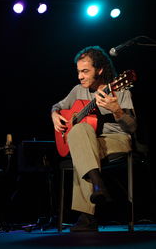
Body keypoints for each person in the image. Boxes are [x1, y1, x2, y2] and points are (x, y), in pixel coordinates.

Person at [51, 46, 137, 232]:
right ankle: (98, 184)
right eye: (78, 72)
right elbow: (57, 106)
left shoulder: (120, 91)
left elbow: (132, 127)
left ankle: (88, 216)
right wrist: (54, 114)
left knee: (80, 145)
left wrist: (117, 111)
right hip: (87, 141)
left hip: (116, 139)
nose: (80, 76)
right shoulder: (77, 91)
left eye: (85, 71)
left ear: (99, 70)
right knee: (80, 132)